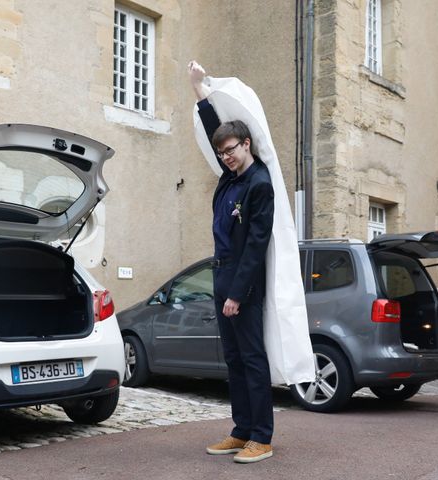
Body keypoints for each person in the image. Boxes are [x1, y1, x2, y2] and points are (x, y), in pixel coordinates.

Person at [188, 60, 275, 463]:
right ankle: (241, 430)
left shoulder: (259, 184)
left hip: (245, 284)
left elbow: (256, 245)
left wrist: (238, 294)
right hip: (221, 276)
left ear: (247, 145)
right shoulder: (228, 177)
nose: (225, 157)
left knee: (253, 359)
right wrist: (199, 92)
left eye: (231, 150)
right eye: (222, 153)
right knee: (235, 360)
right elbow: (213, 131)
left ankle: (262, 436)